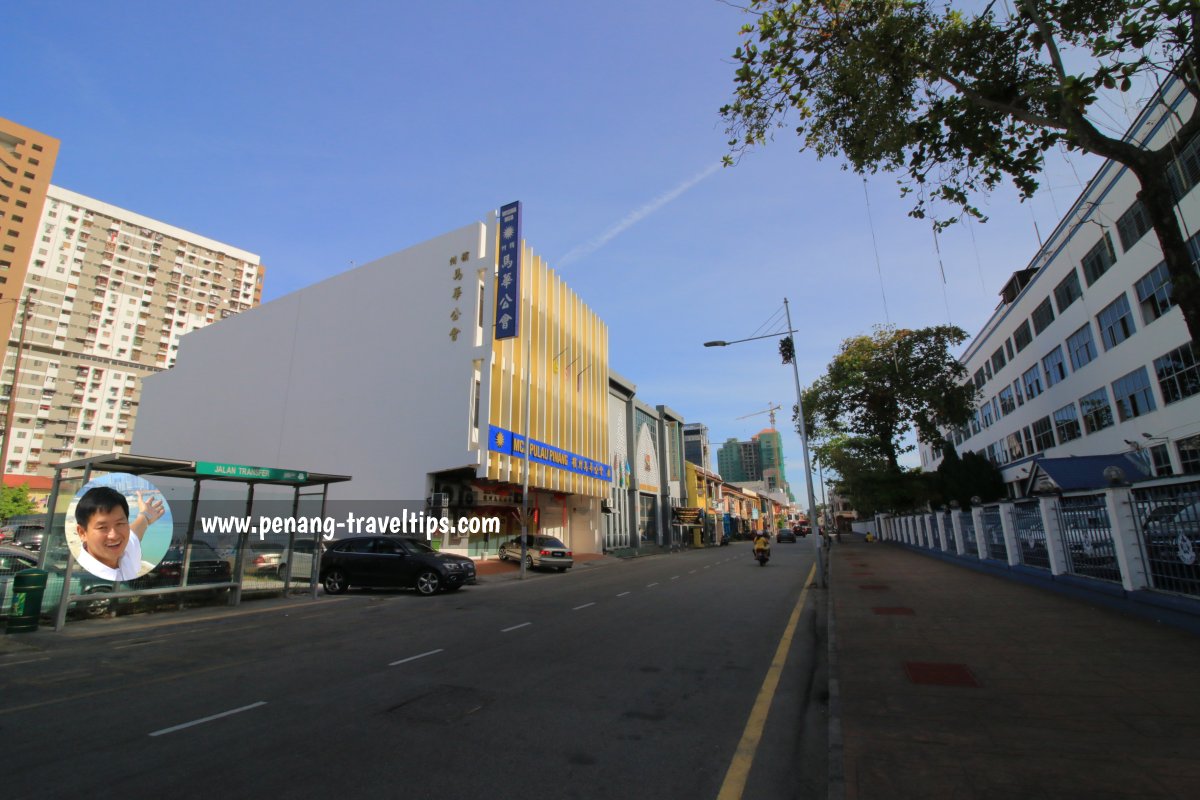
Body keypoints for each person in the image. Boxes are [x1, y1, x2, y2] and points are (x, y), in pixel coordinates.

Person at [74, 486, 166, 581]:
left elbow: (134, 533)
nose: (114, 536)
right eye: (102, 527)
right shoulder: (86, 575)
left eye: (120, 523)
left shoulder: (125, 551)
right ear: (82, 533)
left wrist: (145, 515)